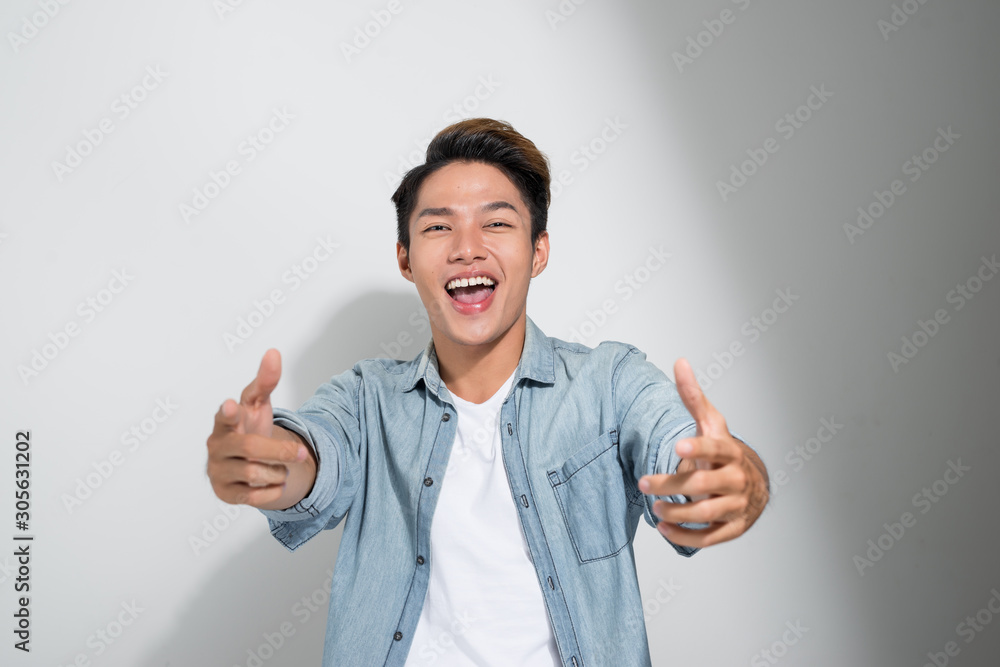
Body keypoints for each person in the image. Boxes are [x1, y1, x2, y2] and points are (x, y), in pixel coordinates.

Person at [205, 118, 770, 666]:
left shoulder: (610, 382)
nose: (466, 248)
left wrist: (734, 479)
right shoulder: (366, 400)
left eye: (495, 223)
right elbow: (311, 454)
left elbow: (679, 450)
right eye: (437, 227)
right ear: (405, 258)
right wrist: (273, 463)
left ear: (538, 250)